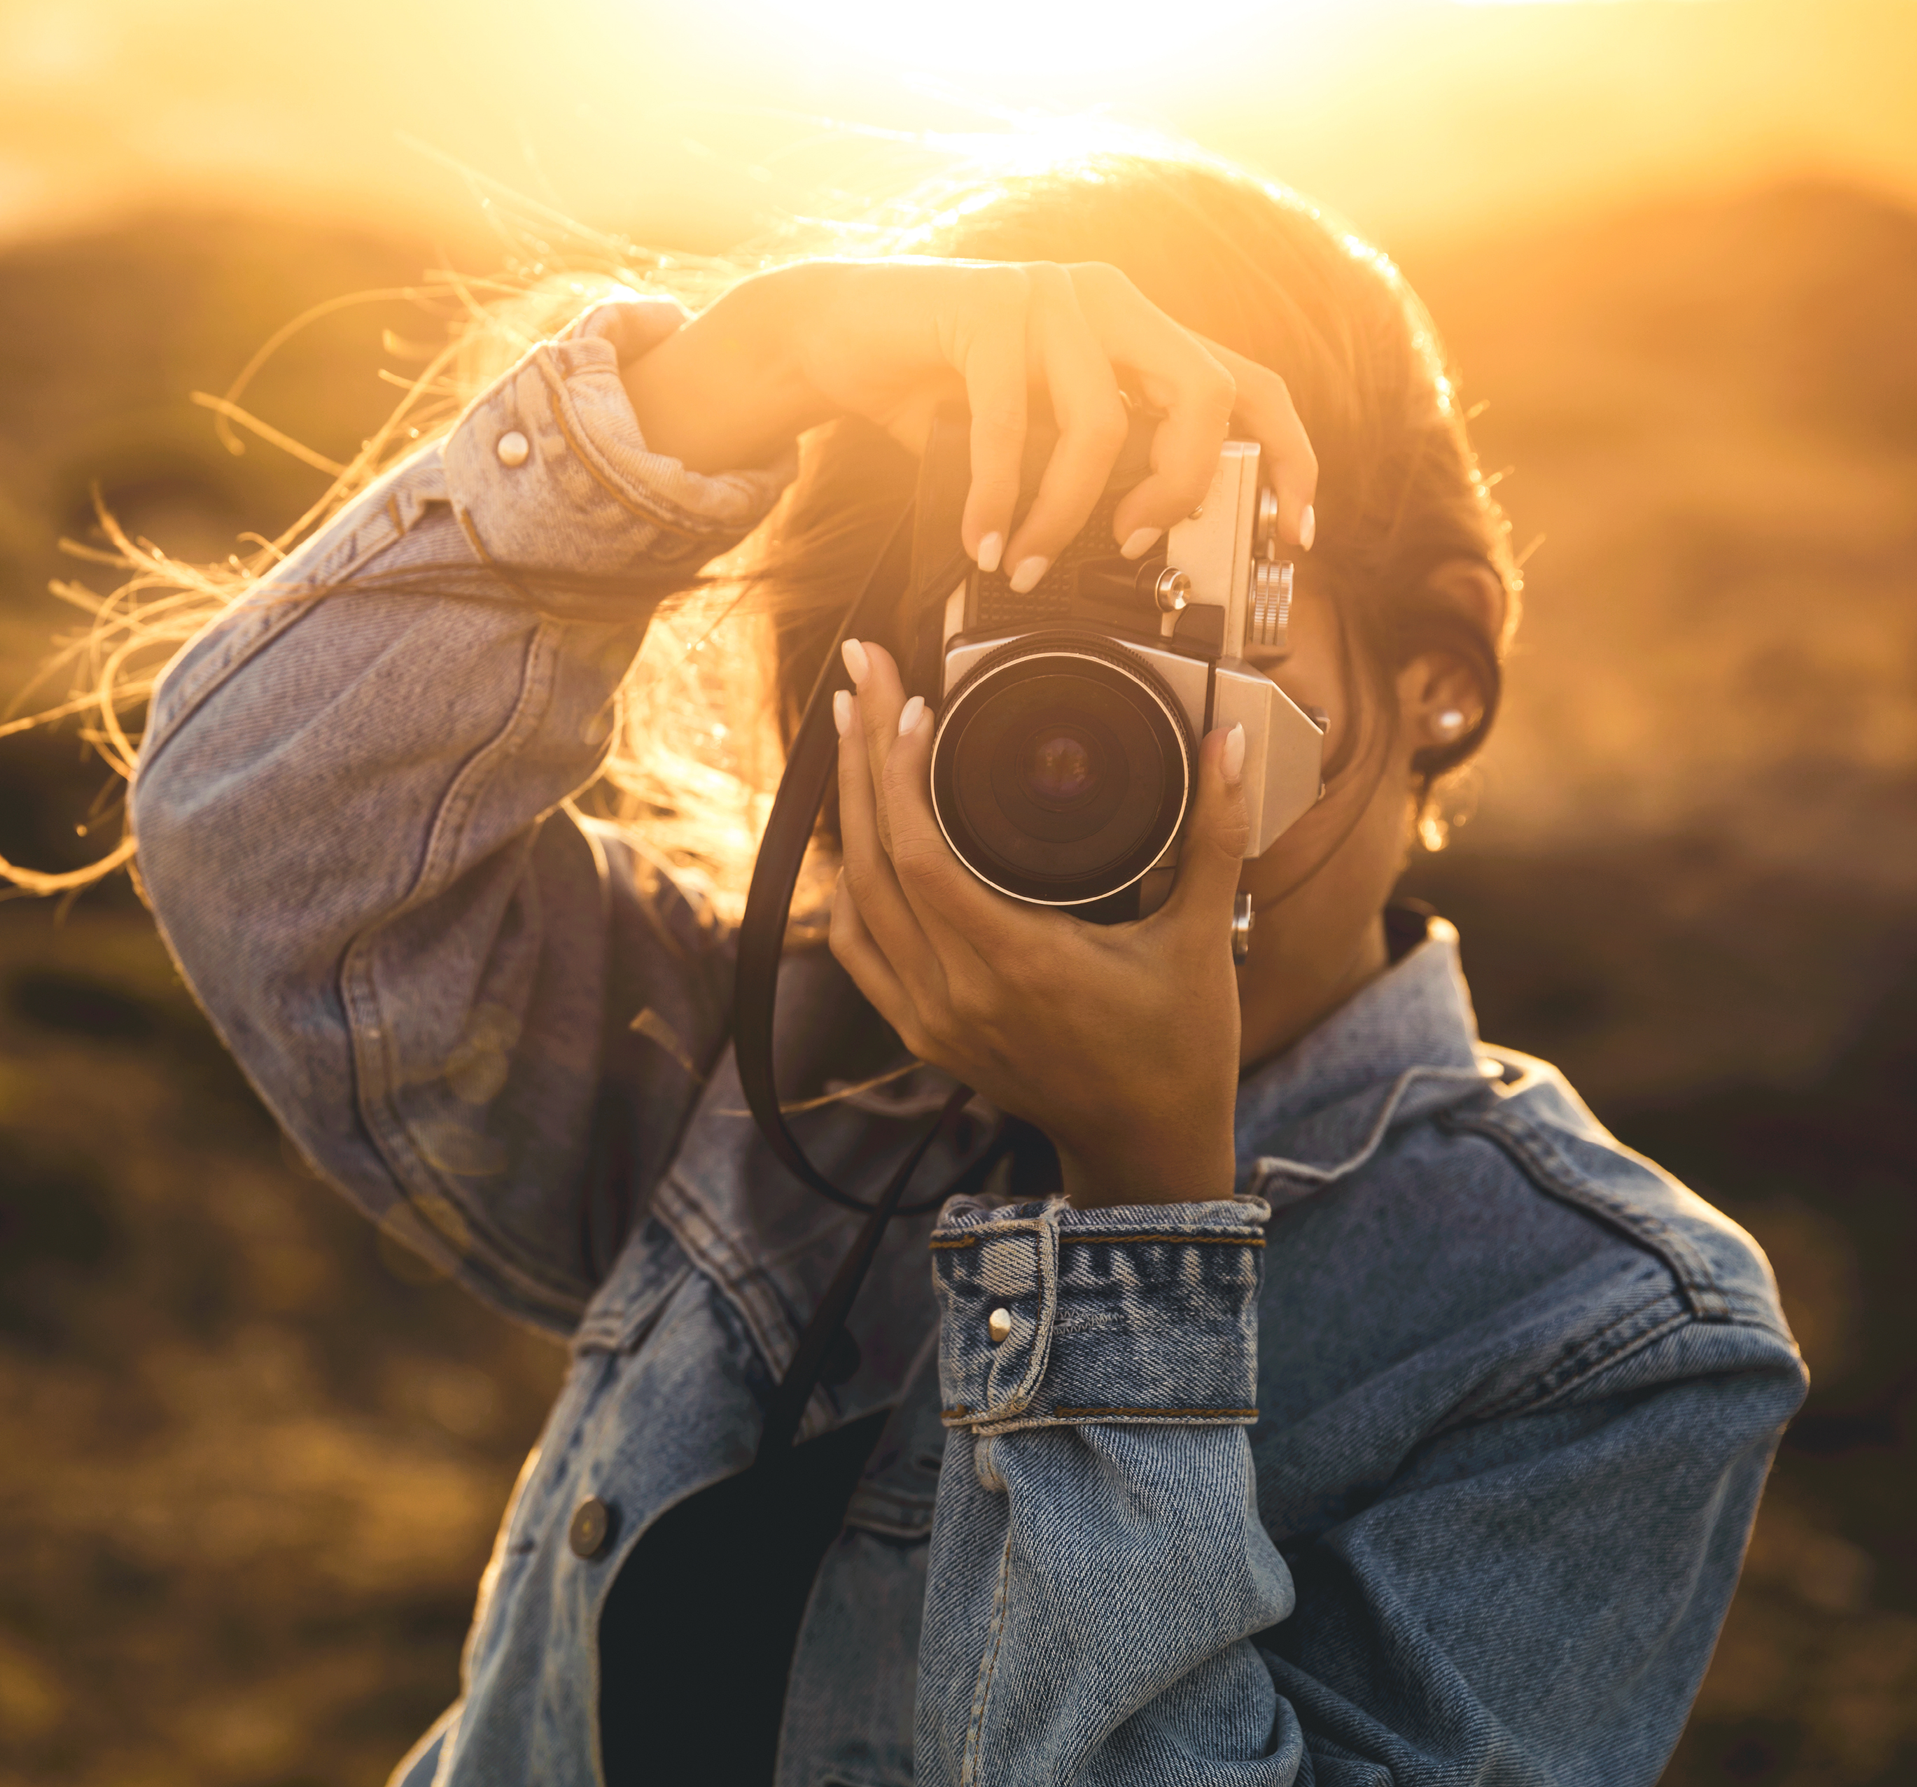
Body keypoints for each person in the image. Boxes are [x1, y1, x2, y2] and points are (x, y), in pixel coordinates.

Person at [114, 142, 1805, 1786]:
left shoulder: (1600, 1334)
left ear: (1438, 663)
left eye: (1180, 613)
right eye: (1011, 628)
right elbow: (267, 835)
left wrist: (1141, 1214)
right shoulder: (768, 1054)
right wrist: (745, 367)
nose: (1082, 714)